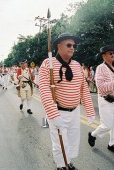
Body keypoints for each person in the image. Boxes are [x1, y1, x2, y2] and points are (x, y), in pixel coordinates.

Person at [39, 33, 95, 170]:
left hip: (75, 111)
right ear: (59, 46)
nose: (72, 48)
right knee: (59, 143)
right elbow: (44, 90)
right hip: (58, 111)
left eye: (74, 46)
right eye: (68, 45)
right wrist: (53, 114)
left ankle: (68, 162)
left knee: (71, 141)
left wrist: (90, 110)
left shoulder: (77, 66)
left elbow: (84, 89)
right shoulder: (48, 64)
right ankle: (61, 166)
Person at [88, 45, 114, 154]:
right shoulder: (100, 68)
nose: (113, 55)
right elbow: (101, 86)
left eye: (113, 53)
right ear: (104, 55)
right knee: (107, 125)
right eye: (110, 53)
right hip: (105, 99)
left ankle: (111, 144)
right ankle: (93, 134)